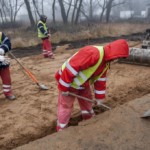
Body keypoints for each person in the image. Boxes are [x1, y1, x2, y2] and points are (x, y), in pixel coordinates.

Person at [55, 39, 129, 132]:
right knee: (66, 106)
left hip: (83, 84)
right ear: (114, 53)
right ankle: (61, 128)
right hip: (68, 83)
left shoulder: (105, 62)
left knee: (87, 102)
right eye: (117, 57)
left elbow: (100, 80)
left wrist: (99, 98)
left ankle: (89, 118)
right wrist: (64, 88)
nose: (116, 60)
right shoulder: (93, 53)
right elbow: (71, 68)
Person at [0, 32, 16, 100]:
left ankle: (8, 93)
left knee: (7, 79)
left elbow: (8, 43)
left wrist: (3, 49)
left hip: (3, 63)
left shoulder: (0, 34)